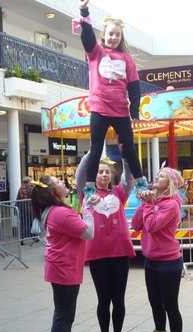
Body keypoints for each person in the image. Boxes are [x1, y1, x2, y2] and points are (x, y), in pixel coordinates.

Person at [75, 0, 148, 201]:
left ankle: (140, 181)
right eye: (110, 34)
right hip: (99, 108)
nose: (114, 37)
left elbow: (134, 88)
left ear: (121, 37)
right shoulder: (95, 52)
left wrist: (135, 113)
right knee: (96, 148)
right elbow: (87, 37)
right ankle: (89, 186)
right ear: (104, 35)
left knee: (129, 148)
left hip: (121, 111)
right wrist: (84, 11)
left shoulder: (127, 60)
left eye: (117, 34)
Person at [31, 175, 95, 332]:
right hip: (64, 268)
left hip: (61, 267)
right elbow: (88, 232)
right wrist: (89, 210)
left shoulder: (55, 211)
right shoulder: (60, 213)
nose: (62, 182)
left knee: (64, 314)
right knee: (64, 316)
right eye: (58, 182)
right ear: (52, 192)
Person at [75, 153, 135, 332]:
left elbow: (129, 179)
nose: (103, 175)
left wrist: (127, 157)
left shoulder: (120, 193)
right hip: (98, 254)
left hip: (120, 253)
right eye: (100, 171)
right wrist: (91, 154)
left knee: (119, 300)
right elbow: (80, 176)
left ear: (112, 175)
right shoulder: (87, 193)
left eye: (107, 172)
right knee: (103, 300)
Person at [131, 167, 185, 332]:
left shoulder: (171, 205)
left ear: (170, 183)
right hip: (151, 260)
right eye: (157, 174)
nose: (156, 176)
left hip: (169, 262)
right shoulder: (153, 202)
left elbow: (152, 226)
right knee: (155, 303)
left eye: (161, 176)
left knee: (170, 305)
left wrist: (148, 205)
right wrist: (144, 203)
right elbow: (137, 225)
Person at [16, 176, 33, 241]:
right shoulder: (31, 189)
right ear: (29, 182)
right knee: (31, 223)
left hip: (21, 208)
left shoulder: (21, 189)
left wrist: (16, 208)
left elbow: (17, 199)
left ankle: (22, 238)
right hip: (30, 209)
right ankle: (33, 236)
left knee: (23, 223)